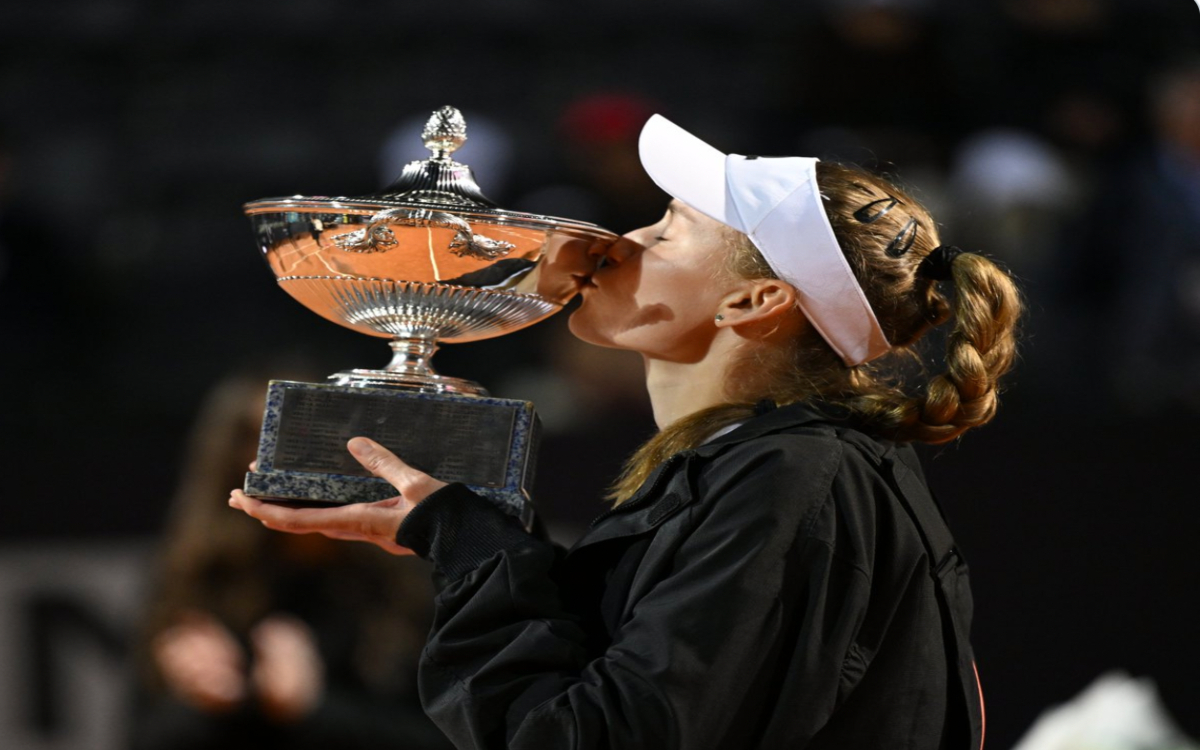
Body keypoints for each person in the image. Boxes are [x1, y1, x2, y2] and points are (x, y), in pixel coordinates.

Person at [230, 115, 1022, 749]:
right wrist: (466, 533)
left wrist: (480, 549)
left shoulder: (790, 480)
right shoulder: (765, 467)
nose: (618, 244)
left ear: (755, 304)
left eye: (667, 231)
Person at [131, 367, 451, 750]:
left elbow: (450, 737)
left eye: (303, 433)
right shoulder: (193, 577)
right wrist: (199, 705)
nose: (283, 458)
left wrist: (313, 709)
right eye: (261, 437)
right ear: (230, 457)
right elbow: (137, 732)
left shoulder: (402, 573)